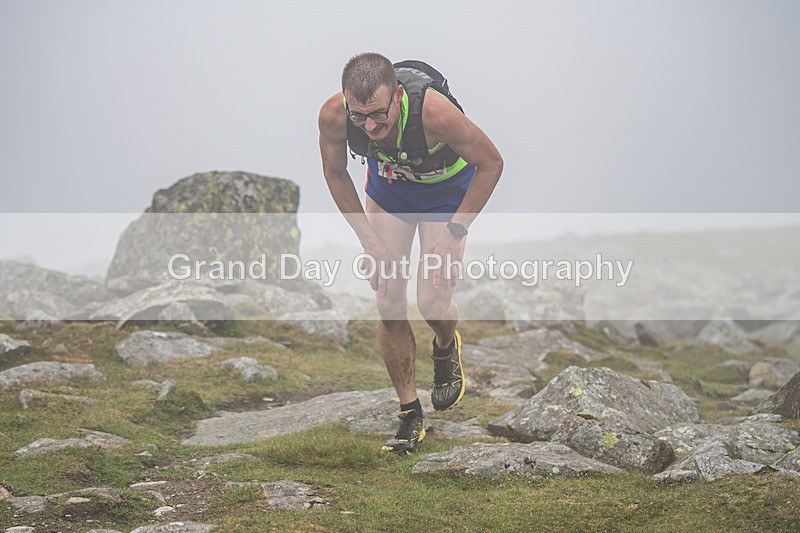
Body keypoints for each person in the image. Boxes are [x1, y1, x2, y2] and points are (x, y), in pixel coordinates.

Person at [318, 52, 503, 453]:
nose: (370, 127)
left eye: (378, 116)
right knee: (388, 297)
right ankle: (409, 413)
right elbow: (335, 173)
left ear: (398, 96)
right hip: (391, 193)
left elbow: (492, 164)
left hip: (446, 194)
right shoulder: (334, 115)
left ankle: (445, 343)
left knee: (433, 301)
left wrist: (456, 232)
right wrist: (369, 240)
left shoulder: (435, 114)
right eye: (359, 117)